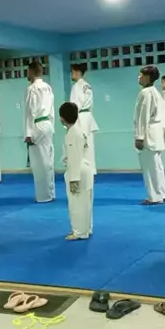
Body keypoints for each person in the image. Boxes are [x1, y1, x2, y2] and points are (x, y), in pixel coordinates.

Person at [59, 102, 95, 241]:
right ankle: (87, 228)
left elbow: (74, 157)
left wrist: (74, 179)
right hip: (86, 168)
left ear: (62, 118)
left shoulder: (71, 134)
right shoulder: (79, 130)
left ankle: (79, 232)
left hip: (78, 170)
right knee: (86, 203)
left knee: (76, 203)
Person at [134, 66, 165, 205]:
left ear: (147, 77)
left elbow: (143, 116)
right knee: (157, 166)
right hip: (157, 132)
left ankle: (154, 197)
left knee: (149, 167)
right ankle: (162, 193)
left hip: (148, 133)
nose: (139, 77)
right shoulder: (155, 92)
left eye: (141, 75)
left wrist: (139, 136)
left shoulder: (145, 93)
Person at [24, 61, 56, 203]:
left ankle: (43, 196)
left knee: (39, 162)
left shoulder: (31, 89)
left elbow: (29, 112)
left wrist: (28, 133)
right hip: (48, 123)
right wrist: (52, 127)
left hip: (37, 124)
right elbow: (52, 109)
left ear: (31, 72)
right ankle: (51, 192)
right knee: (48, 160)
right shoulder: (48, 87)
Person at [69, 63, 99, 177]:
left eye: (72, 72)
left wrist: (70, 119)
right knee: (89, 146)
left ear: (77, 72)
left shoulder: (77, 86)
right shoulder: (87, 85)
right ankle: (91, 171)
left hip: (80, 117)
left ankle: (83, 172)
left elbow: (76, 104)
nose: (71, 74)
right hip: (88, 117)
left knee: (80, 146)